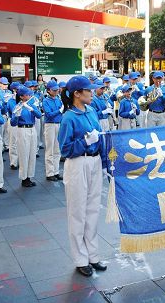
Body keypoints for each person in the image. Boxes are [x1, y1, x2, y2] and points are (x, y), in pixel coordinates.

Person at [57, 75, 107, 277]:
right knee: (78, 212)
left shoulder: (92, 110)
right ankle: (80, 258)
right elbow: (65, 149)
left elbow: (100, 137)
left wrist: (104, 161)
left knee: (93, 209)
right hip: (78, 163)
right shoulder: (69, 117)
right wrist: (85, 143)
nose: (92, 92)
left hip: (94, 161)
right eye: (89, 90)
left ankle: (93, 255)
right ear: (77, 94)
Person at [10, 86, 41, 187]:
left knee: (32, 154)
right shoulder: (17, 107)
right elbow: (13, 123)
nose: (29, 95)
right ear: (22, 96)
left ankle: (29, 176)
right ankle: (24, 178)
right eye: (27, 94)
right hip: (22, 129)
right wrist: (17, 115)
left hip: (32, 128)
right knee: (24, 154)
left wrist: (32, 109)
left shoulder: (31, 105)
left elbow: (39, 115)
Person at [42, 80, 64, 181]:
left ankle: (56, 171)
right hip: (50, 125)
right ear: (49, 90)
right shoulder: (45, 101)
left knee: (57, 150)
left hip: (58, 124)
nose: (56, 91)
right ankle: (50, 173)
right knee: (50, 150)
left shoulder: (58, 99)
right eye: (54, 90)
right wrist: (59, 111)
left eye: (57, 90)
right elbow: (49, 115)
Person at [6, 82, 20, 170]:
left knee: (20, 143)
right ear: (14, 90)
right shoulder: (11, 100)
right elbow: (13, 111)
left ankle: (20, 161)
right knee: (13, 142)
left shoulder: (23, 99)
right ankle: (13, 162)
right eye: (17, 89)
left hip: (21, 123)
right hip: (13, 121)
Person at [0, 77, 11, 152]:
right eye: (4, 84)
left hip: (7, 113)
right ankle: (1, 146)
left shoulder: (9, 92)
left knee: (7, 130)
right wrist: (4, 102)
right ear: (0, 84)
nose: (6, 86)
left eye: (6, 84)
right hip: (1, 113)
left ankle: (6, 145)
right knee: (1, 131)